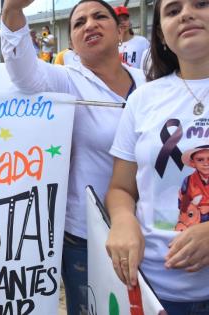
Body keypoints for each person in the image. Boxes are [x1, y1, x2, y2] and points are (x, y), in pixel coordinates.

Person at [0, 1, 146, 314]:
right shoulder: (66, 80)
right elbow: (22, 71)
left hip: (152, 231)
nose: (89, 25)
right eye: (79, 23)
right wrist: (12, 12)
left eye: (99, 17)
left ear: (121, 30)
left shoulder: (149, 81)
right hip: (87, 236)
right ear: (72, 43)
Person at [106, 0, 209, 312]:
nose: (186, 13)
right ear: (162, 35)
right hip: (152, 291)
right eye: (173, 10)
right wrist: (122, 219)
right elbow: (121, 188)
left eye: (201, 4)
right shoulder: (142, 100)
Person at [177, 145, 209, 231]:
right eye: (200, 160)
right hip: (192, 218)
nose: (206, 163)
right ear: (193, 163)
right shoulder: (188, 181)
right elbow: (182, 203)